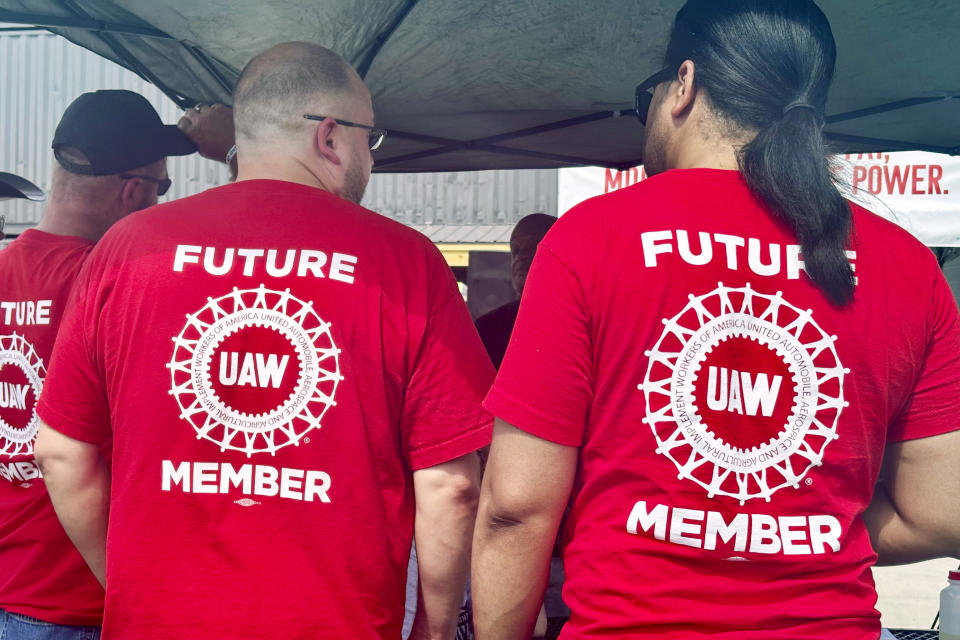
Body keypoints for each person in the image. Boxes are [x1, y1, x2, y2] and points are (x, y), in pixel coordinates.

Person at [472, 1, 960, 638]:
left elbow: (515, 508)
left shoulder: (591, 239)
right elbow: (939, 512)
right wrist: (794, 528)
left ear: (684, 85)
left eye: (651, 93)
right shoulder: (907, 266)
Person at [34, 42, 494, 640]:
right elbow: (452, 484)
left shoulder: (127, 250)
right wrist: (432, 632)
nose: (370, 160)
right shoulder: (404, 262)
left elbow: (60, 452)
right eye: (369, 140)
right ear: (330, 137)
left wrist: (131, 585)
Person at [0, 91, 195, 638]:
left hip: (13, 582)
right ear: (133, 192)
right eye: (163, 188)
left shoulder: (4, 267)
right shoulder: (114, 284)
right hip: (86, 599)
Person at [475, 213, 556, 369]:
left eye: (534, 247)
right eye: (516, 250)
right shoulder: (489, 328)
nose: (521, 257)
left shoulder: (588, 323)